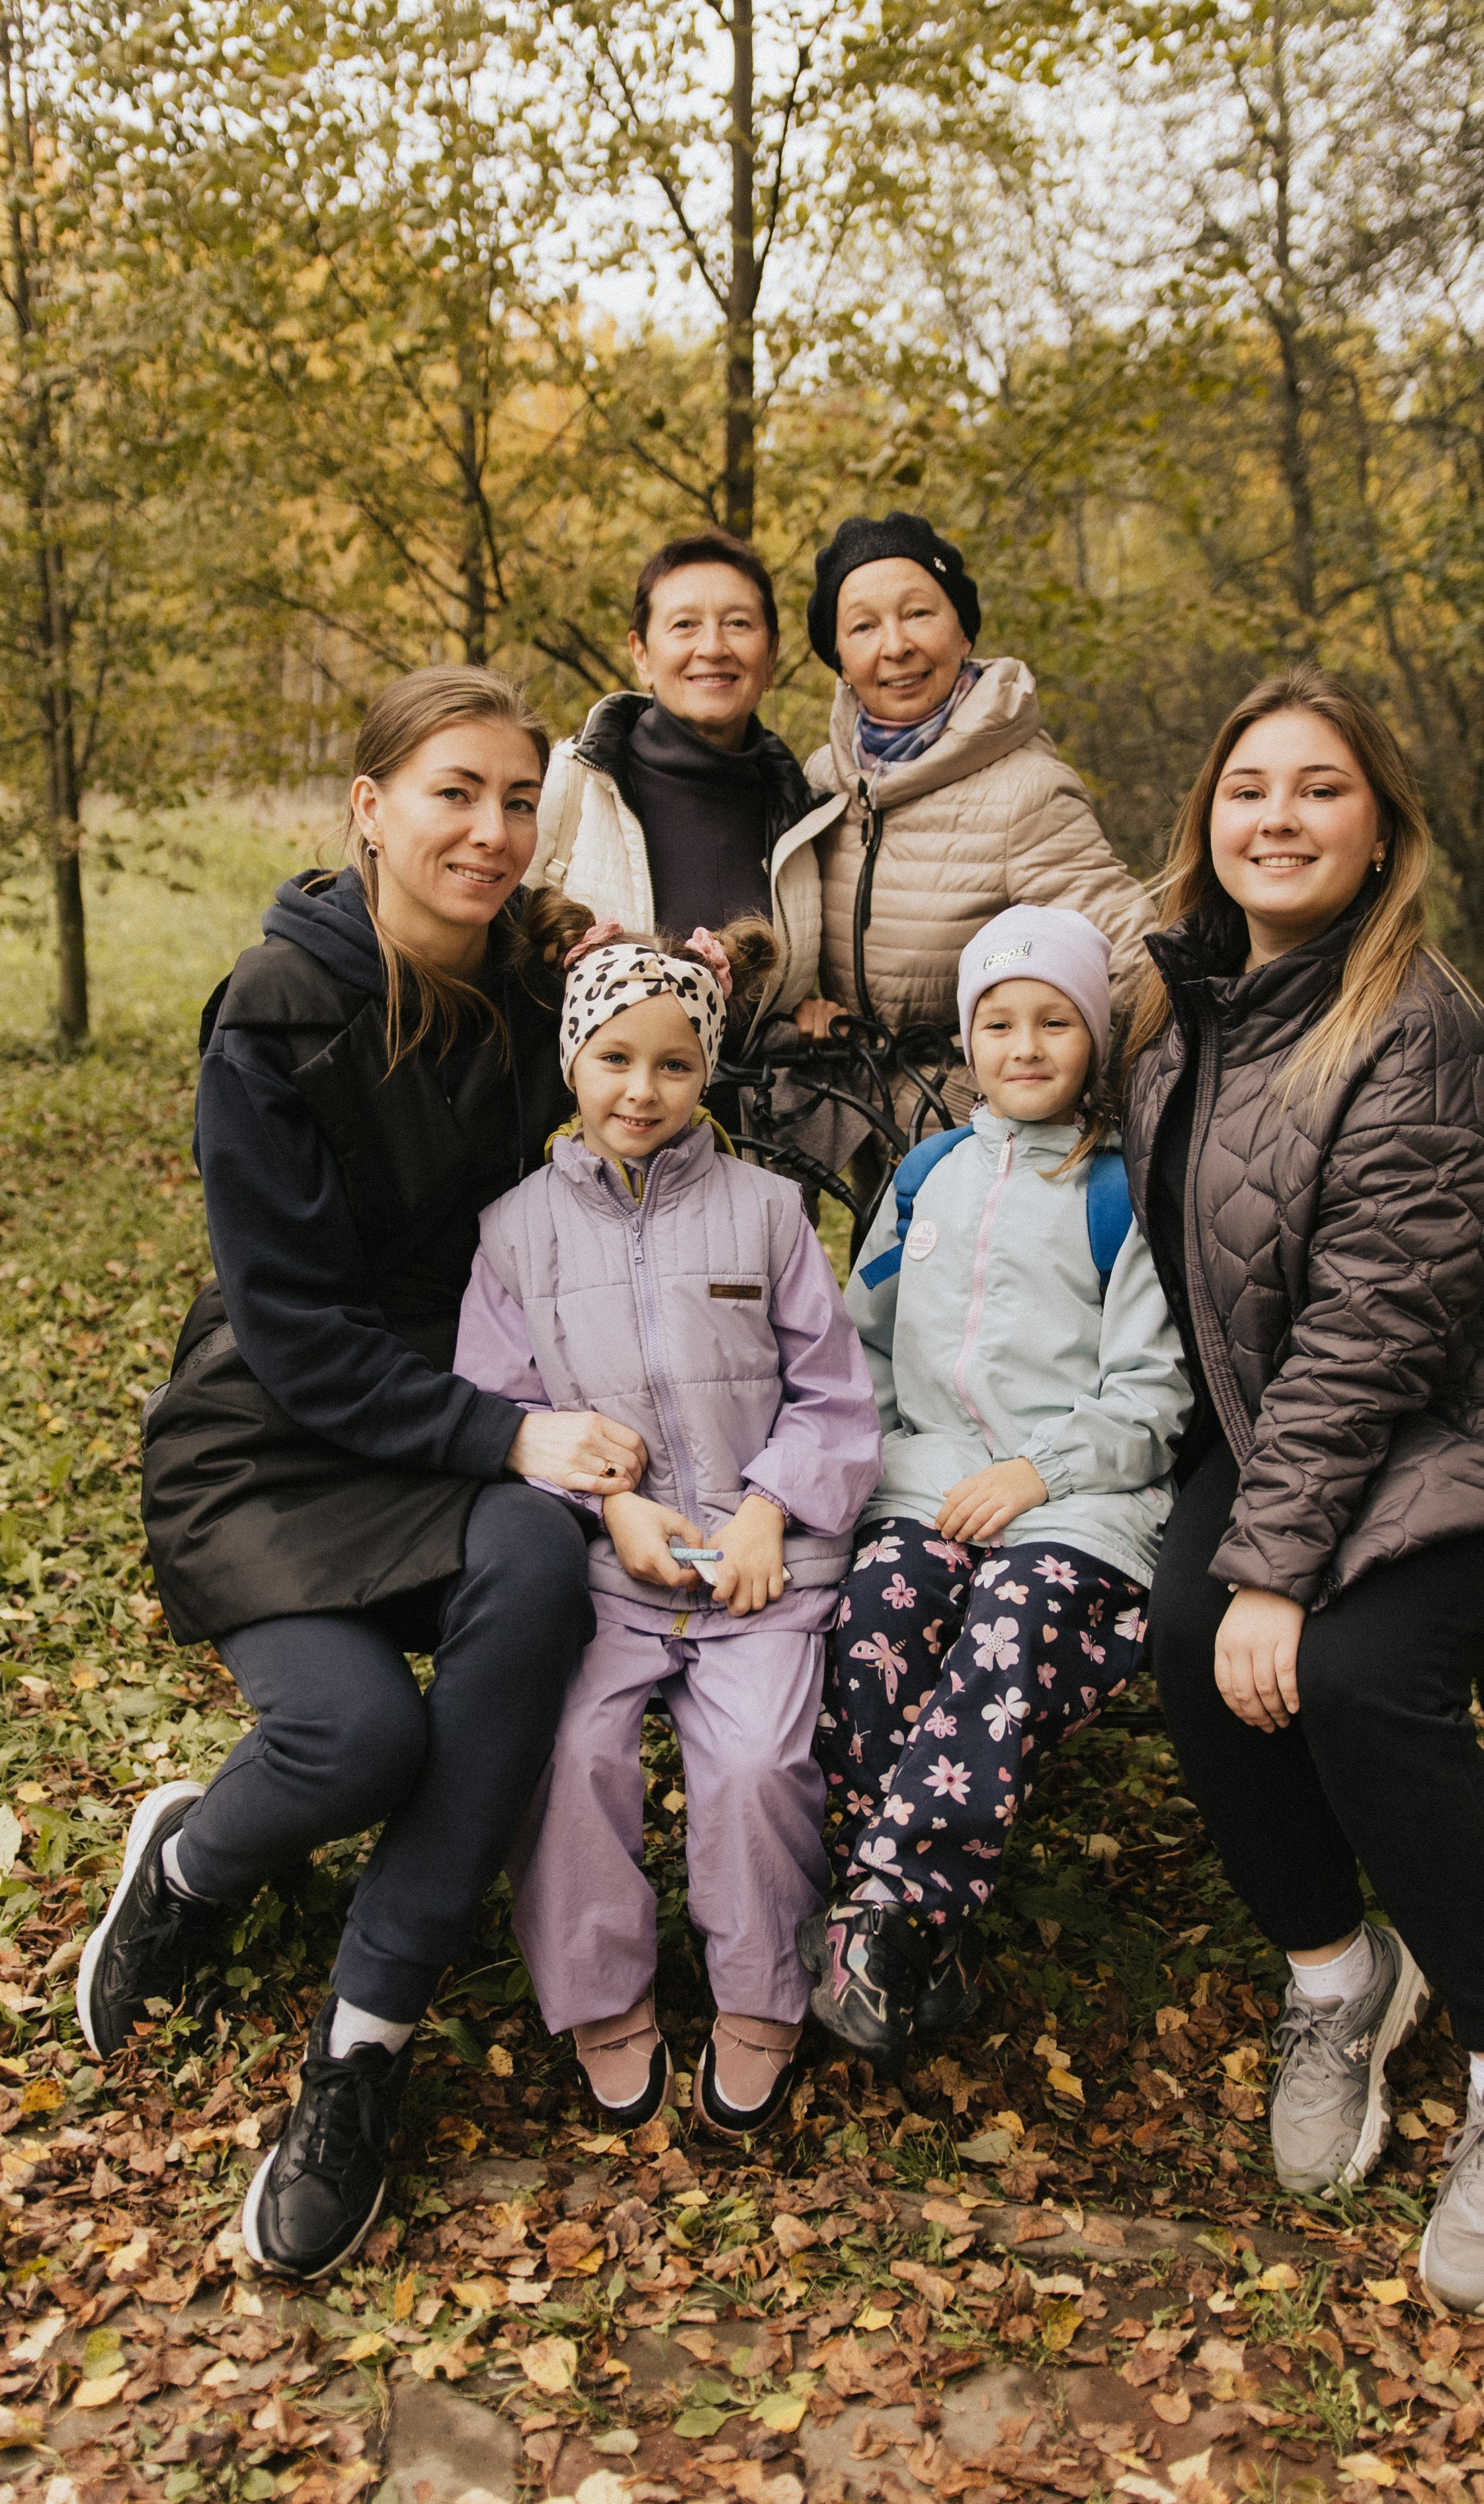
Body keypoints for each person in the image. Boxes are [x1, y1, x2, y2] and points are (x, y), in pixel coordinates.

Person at [89, 666, 636, 2282]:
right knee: (358, 1735)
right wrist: (511, 1432)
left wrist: (634, 974)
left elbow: (651, 1066)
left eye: (517, 798)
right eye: (453, 790)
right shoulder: (276, 1008)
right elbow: (301, 1331)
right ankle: (194, 1858)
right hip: (273, 1426)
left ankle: (363, 2046)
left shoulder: (539, 986)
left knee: (538, 1557)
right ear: (369, 808)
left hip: (443, 1405)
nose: (488, 827)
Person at [1126, 664, 1484, 2316]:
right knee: (1179, 1619)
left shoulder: (1415, 1029)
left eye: (1318, 786)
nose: (1277, 814)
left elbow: (1370, 1331)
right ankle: (1339, 1972)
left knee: (1349, 1671)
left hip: (1477, 1438)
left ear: (1381, 825)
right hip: (1311, 1433)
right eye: (1247, 784)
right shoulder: (1186, 999)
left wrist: (1278, 1561)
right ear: (1204, 815)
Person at [454, 912, 882, 2136]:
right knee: (570, 1751)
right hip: (609, 1569)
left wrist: (768, 1510)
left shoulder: (763, 1215)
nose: (641, 1090)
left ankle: (759, 1995)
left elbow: (834, 1394)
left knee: (755, 1763)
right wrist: (608, 1505)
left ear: (708, 1071)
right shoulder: (514, 1231)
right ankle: (600, 1992)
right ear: (572, 1062)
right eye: (613, 1059)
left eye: (674, 1063)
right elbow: (503, 1406)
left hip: (759, 1569)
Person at [800, 905, 1191, 2066]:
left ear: (1093, 1038)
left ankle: (890, 1914)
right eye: (998, 1022)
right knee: (874, 1612)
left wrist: (1040, 1472)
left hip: (1077, 1498)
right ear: (967, 1040)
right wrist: (870, 1467)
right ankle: (923, 1939)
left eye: (1053, 1022)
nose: (1024, 1046)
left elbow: (1152, 1390)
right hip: (927, 1480)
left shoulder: (1117, 1193)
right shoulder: (923, 1178)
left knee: (1011, 1620)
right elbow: (855, 1349)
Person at [796, 512, 1155, 1073]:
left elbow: (1136, 964)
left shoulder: (1025, 791)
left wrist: (1063, 1089)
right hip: (856, 1127)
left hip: (980, 1134)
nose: (896, 646)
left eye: (918, 613)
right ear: (839, 660)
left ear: (962, 632)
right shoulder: (824, 783)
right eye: (864, 627)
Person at [527, 530, 842, 1044]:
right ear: (642, 654)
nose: (713, 647)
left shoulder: (805, 818)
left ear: (772, 656)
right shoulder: (566, 785)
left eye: (738, 624)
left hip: (752, 1124)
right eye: (684, 625)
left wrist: (804, 1019)